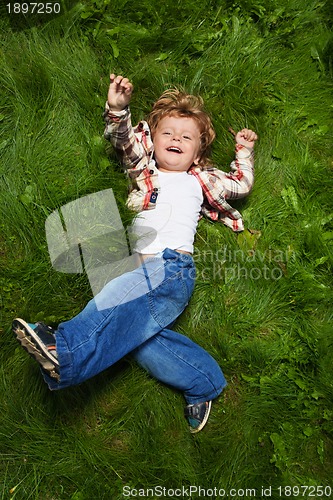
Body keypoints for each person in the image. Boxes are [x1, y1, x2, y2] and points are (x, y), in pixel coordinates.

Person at [12, 74, 257, 433]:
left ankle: (65, 350)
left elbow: (241, 185)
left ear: (198, 153)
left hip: (172, 267)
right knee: (135, 338)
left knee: (114, 305)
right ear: (153, 141)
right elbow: (124, 141)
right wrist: (117, 108)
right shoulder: (145, 172)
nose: (176, 139)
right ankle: (202, 381)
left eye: (186, 137)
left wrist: (244, 153)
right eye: (168, 133)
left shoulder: (201, 179)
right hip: (133, 269)